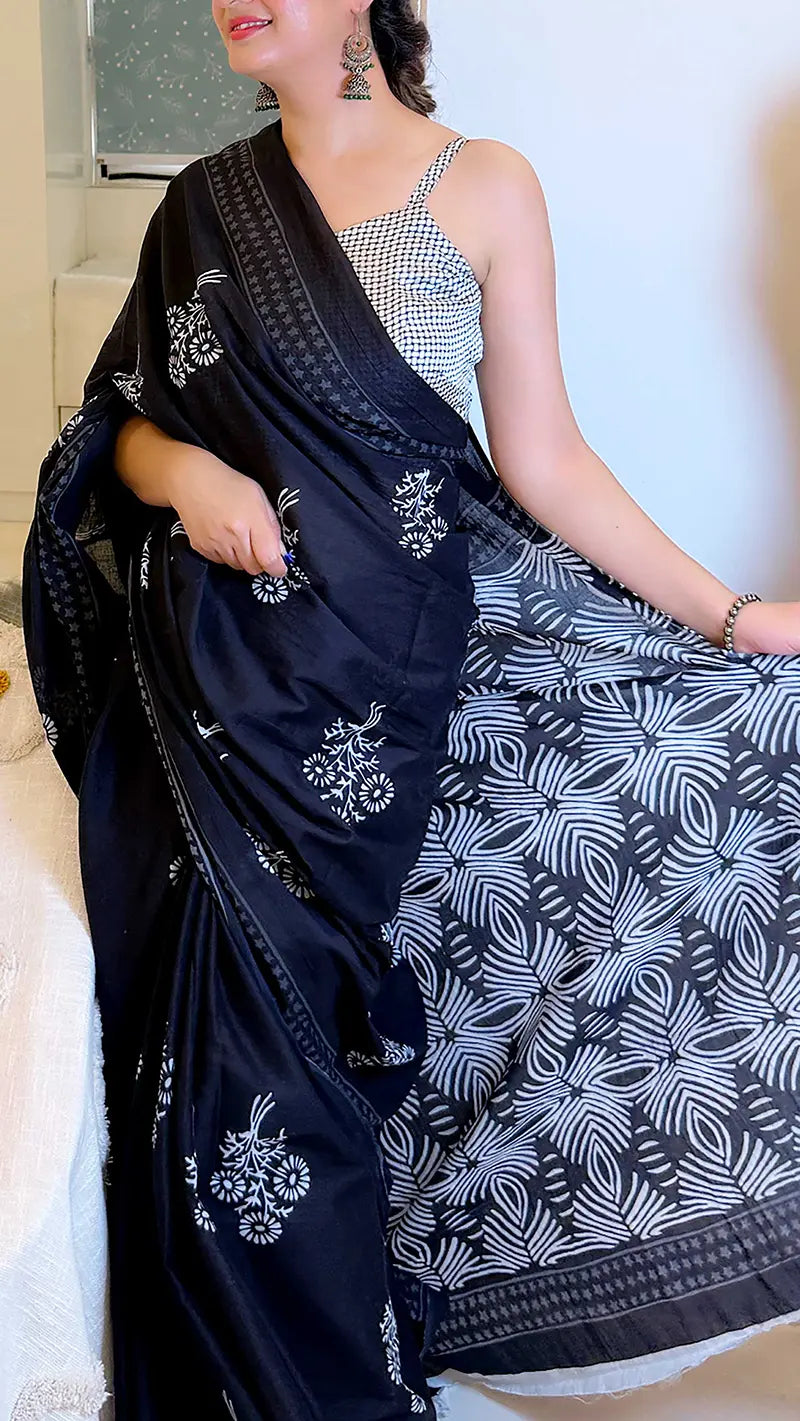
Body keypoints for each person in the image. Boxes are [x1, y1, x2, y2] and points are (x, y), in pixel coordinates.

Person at [22, 1, 800, 1416]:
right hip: (214, 693)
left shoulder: (485, 184)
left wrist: (735, 617)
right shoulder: (203, 207)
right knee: (221, 1058)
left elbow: (548, 463)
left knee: (322, 1041)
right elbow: (115, 426)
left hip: (378, 697)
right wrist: (188, 480)